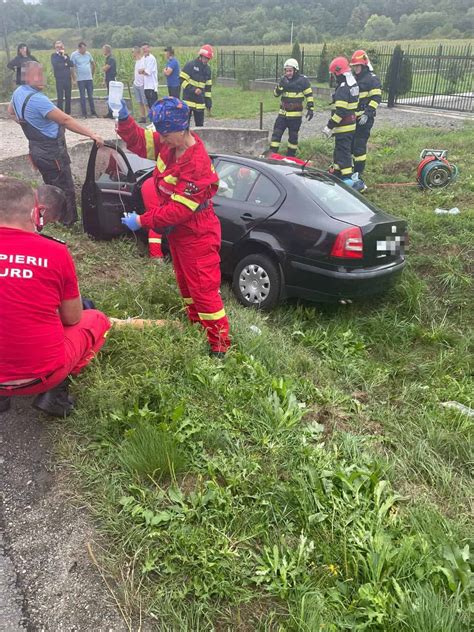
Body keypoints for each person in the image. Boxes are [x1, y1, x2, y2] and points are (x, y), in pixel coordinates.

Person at [118, 97, 231, 357]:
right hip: (181, 234)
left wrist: (142, 220)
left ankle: (219, 348)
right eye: (161, 134)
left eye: (166, 135)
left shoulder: (197, 164)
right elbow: (138, 141)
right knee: (186, 285)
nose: (162, 139)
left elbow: (178, 211)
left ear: (182, 129)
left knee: (203, 290)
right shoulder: (169, 145)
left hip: (198, 232)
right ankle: (196, 328)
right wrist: (124, 119)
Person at [0, 177, 111, 417]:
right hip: (41, 377)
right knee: (96, 319)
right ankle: (55, 395)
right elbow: (72, 318)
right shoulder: (55, 252)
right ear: (34, 212)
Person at [8, 61, 104, 226]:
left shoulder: (18, 92)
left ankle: (51, 218)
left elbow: (11, 112)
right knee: (64, 187)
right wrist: (92, 134)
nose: (42, 78)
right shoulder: (39, 100)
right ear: (26, 77)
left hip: (36, 149)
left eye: (42, 73)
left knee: (50, 184)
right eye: (37, 75)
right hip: (52, 152)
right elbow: (66, 120)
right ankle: (67, 223)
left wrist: (28, 124)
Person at [322, 57, 361, 189]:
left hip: (344, 128)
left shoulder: (343, 88)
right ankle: (337, 173)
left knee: (343, 154)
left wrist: (329, 126)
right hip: (350, 126)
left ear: (338, 73)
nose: (333, 77)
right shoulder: (352, 84)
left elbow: (340, 112)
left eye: (333, 74)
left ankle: (347, 180)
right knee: (339, 153)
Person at [350, 49, 382, 191]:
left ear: (363, 65)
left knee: (359, 146)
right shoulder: (354, 78)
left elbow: (376, 98)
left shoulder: (372, 79)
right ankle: (350, 170)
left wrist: (367, 114)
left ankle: (358, 172)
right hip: (353, 118)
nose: (355, 69)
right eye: (354, 66)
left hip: (364, 120)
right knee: (350, 145)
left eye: (357, 66)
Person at [269, 58, 314, 157]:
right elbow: (275, 94)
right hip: (283, 114)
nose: (288, 73)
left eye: (290, 70)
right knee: (276, 134)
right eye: (286, 70)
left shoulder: (303, 81)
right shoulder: (283, 80)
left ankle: (290, 157)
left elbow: (309, 95)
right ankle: (272, 154)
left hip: (295, 116)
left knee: (293, 137)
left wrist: (311, 108)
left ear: (295, 70)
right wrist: (280, 87)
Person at [180, 45, 213, 127]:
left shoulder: (208, 70)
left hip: (200, 103)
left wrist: (208, 103)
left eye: (208, 59)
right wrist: (193, 89)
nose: (206, 61)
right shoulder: (190, 65)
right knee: (185, 126)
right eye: (205, 58)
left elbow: (208, 88)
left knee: (200, 127)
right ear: (201, 56)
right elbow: (181, 80)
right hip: (188, 101)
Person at [70, 42, 97, 118]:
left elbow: (93, 64)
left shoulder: (88, 54)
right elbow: (72, 68)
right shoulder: (74, 55)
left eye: (85, 49)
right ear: (79, 48)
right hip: (80, 79)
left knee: (90, 96)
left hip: (89, 78)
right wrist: (74, 79)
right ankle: (84, 113)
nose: (84, 50)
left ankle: (93, 112)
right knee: (82, 96)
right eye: (83, 49)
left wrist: (92, 73)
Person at [50, 40, 73, 114]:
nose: (59, 48)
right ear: (55, 47)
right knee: (60, 97)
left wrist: (64, 57)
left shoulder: (66, 55)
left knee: (68, 96)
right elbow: (56, 65)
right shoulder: (53, 56)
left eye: (60, 47)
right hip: (59, 79)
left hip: (67, 78)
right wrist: (65, 64)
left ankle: (68, 113)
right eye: (58, 47)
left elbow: (71, 64)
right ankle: (60, 113)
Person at [140, 43, 158, 109]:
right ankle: (151, 118)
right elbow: (140, 71)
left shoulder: (151, 58)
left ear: (149, 48)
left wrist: (143, 70)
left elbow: (147, 72)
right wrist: (143, 70)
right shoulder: (143, 58)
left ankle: (155, 119)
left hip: (151, 86)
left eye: (145, 48)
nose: (144, 50)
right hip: (146, 86)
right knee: (149, 105)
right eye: (143, 49)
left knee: (153, 105)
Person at [132, 46, 147, 123]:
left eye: (132, 52)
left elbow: (145, 71)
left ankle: (150, 116)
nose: (132, 54)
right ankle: (143, 116)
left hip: (142, 84)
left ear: (136, 52)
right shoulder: (136, 62)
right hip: (136, 84)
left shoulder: (142, 61)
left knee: (145, 102)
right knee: (139, 101)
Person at [102, 44, 117, 119]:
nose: (103, 51)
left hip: (111, 79)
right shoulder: (107, 58)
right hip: (108, 79)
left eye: (103, 49)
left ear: (107, 50)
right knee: (109, 95)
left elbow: (106, 68)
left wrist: (104, 68)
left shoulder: (111, 59)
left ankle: (112, 112)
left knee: (112, 96)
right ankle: (110, 112)